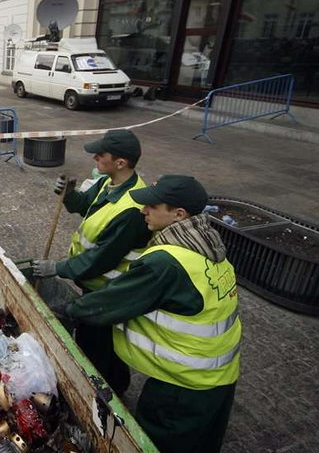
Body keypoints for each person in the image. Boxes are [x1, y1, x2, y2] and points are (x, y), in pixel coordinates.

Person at [56, 175, 241, 453]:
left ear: (179, 214)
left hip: (182, 386)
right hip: (219, 379)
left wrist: (64, 311)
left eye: (153, 206)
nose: (144, 210)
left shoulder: (166, 262)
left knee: (156, 445)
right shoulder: (208, 245)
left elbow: (110, 302)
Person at [33, 129, 152, 395]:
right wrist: (69, 194)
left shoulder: (132, 210)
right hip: (94, 285)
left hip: (109, 293)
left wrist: (58, 268)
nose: (95, 156)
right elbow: (84, 205)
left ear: (121, 162)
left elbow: (100, 259)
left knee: (98, 346)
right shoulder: (108, 182)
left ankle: (106, 395)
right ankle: (110, 382)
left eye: (102, 154)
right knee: (103, 345)